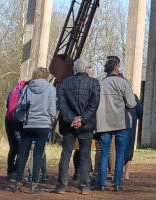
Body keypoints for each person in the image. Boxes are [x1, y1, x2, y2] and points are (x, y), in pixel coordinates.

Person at [54, 57, 99, 195]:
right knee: (85, 155)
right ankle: (84, 186)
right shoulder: (94, 83)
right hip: (86, 126)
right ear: (86, 69)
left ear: (74, 69)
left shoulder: (64, 83)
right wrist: (82, 120)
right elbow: (94, 104)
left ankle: (61, 185)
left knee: (66, 154)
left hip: (68, 125)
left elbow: (61, 105)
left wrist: (71, 119)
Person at [13, 67, 56, 194]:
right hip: (43, 125)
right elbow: (52, 109)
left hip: (28, 125)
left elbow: (20, 106)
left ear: (34, 75)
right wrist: (50, 121)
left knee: (23, 154)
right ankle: (34, 186)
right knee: (38, 155)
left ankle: (18, 184)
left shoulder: (27, 88)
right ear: (46, 76)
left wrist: (22, 119)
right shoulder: (51, 89)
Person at [95, 56, 136, 191]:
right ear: (115, 67)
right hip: (121, 123)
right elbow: (131, 103)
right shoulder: (123, 83)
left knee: (104, 153)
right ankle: (117, 184)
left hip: (104, 123)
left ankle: (101, 183)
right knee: (120, 154)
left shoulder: (101, 84)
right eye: (118, 66)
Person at [5, 80, 28, 181]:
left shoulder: (25, 92)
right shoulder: (15, 92)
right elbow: (11, 108)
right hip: (11, 120)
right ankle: (11, 171)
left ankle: (17, 171)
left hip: (21, 121)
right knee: (14, 147)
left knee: (20, 147)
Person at [122, 94, 143, 181]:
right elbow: (140, 111)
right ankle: (126, 173)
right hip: (130, 124)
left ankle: (116, 172)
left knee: (117, 149)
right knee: (129, 148)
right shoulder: (133, 96)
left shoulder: (115, 95)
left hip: (117, 124)